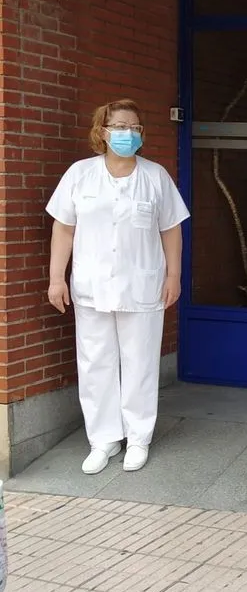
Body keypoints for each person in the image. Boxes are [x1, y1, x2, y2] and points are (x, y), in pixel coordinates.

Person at [46, 99, 190, 475]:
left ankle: (138, 437)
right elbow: (63, 227)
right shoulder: (80, 174)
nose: (128, 134)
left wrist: (173, 275)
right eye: (120, 126)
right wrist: (56, 277)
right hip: (91, 285)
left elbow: (171, 229)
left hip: (142, 285)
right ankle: (103, 439)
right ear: (103, 131)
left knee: (140, 363)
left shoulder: (156, 176)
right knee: (95, 363)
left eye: (135, 127)